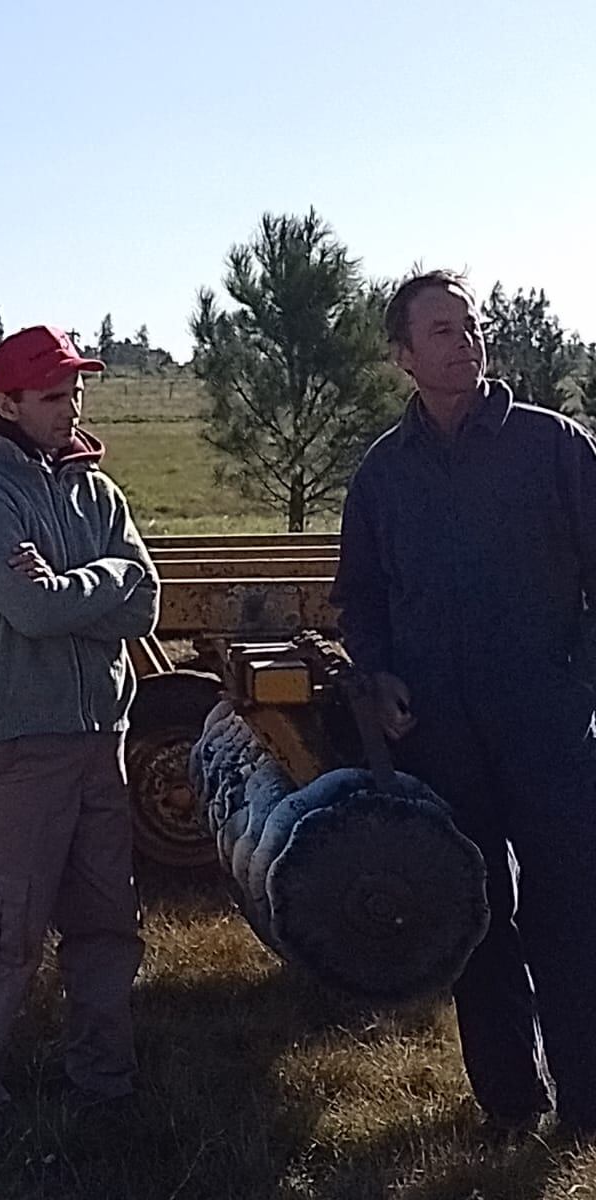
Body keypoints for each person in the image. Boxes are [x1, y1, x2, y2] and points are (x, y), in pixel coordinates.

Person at [332, 269, 596, 1139]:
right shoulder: (383, 474)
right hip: (440, 732)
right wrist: (380, 673)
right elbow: (361, 600)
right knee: (478, 916)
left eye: (471, 327)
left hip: (547, 723)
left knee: (571, 907)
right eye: (441, 331)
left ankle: (589, 1105)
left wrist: (578, 683)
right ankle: (511, 1103)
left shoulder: (553, 447)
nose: (466, 342)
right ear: (404, 355)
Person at [0, 325, 160, 1133]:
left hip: (103, 740)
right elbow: (30, 610)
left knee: (107, 923)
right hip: (25, 748)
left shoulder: (97, 492)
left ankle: (105, 1078)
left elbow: (145, 602)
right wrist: (98, 590)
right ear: (6, 403)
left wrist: (81, 584)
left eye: (75, 391)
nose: (70, 408)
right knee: (7, 929)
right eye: (52, 395)